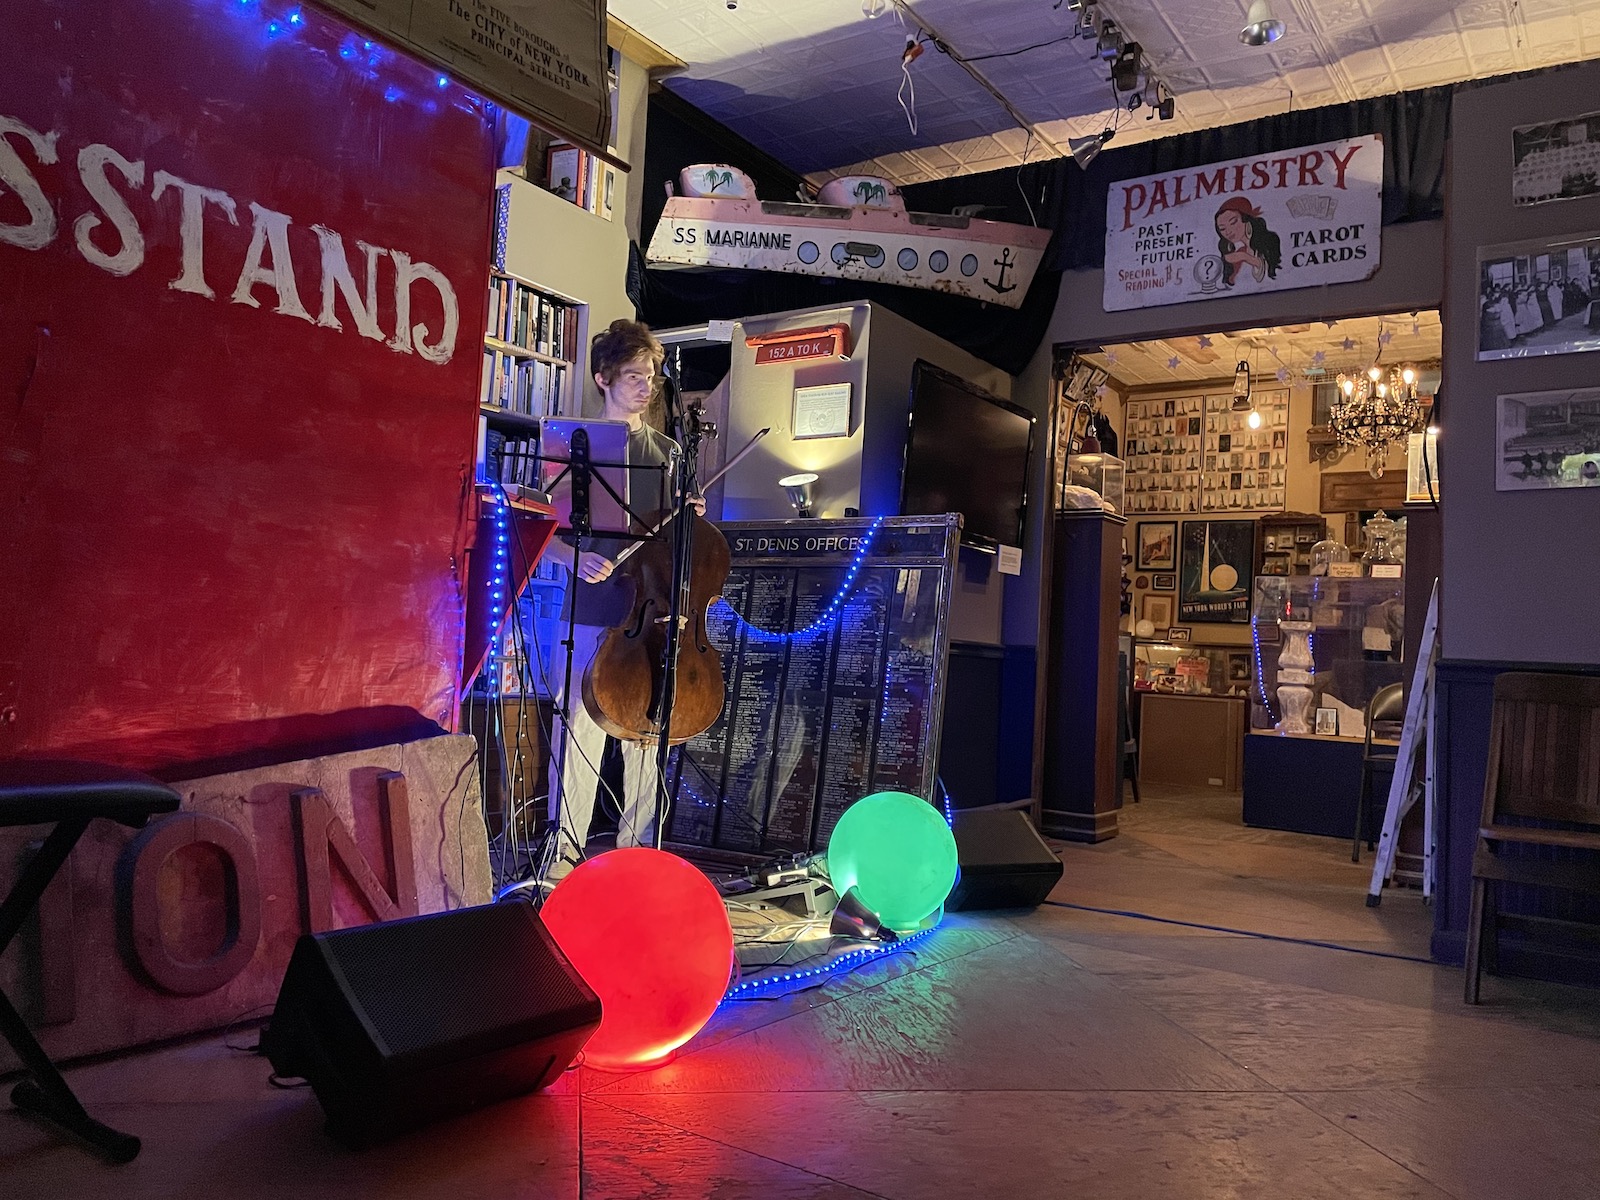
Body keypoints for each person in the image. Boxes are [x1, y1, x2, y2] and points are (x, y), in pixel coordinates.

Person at [542, 319, 703, 881]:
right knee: (580, 731)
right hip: (591, 608)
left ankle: (638, 858)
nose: (646, 385)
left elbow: (674, 541)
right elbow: (542, 535)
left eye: (652, 375)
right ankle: (563, 860)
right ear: (602, 378)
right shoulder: (573, 445)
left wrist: (692, 520)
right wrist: (573, 558)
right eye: (634, 375)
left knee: (645, 733)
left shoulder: (668, 451)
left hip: (652, 611)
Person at [1214, 197, 1282, 288]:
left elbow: (1275, 270)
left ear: (1245, 218)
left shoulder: (1269, 240)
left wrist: (1246, 257)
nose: (1228, 231)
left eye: (1233, 222)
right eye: (1222, 229)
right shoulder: (1239, 253)